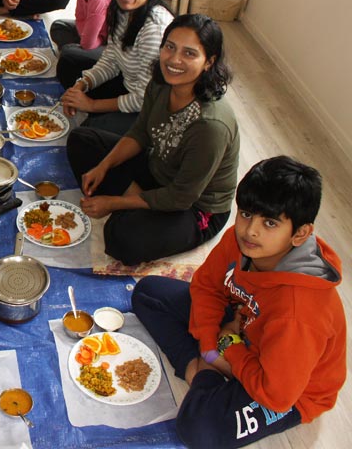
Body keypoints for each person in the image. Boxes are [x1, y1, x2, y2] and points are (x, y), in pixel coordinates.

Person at [132, 156, 346, 448]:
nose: (250, 230)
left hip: (288, 389)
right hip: (242, 328)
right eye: (245, 214)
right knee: (148, 292)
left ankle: (211, 374)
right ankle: (203, 370)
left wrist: (230, 348)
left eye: (269, 222)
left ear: (301, 233)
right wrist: (209, 347)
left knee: (199, 429)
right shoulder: (241, 239)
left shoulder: (299, 314)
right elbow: (207, 286)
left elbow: (276, 395)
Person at [67, 14, 239, 265]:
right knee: (82, 140)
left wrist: (116, 202)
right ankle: (139, 200)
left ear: (209, 62)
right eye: (170, 47)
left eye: (189, 53)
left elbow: (181, 197)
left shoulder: (211, 126)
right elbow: (140, 133)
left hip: (195, 207)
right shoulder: (161, 83)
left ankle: (135, 204)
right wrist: (103, 166)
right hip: (158, 170)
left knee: (121, 237)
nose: (174, 60)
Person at [60, 0, 173, 135]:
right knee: (68, 59)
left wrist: (91, 104)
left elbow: (142, 98)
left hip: (149, 107)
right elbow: (111, 58)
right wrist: (81, 86)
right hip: (128, 82)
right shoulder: (122, 10)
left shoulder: (154, 30)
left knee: (85, 135)